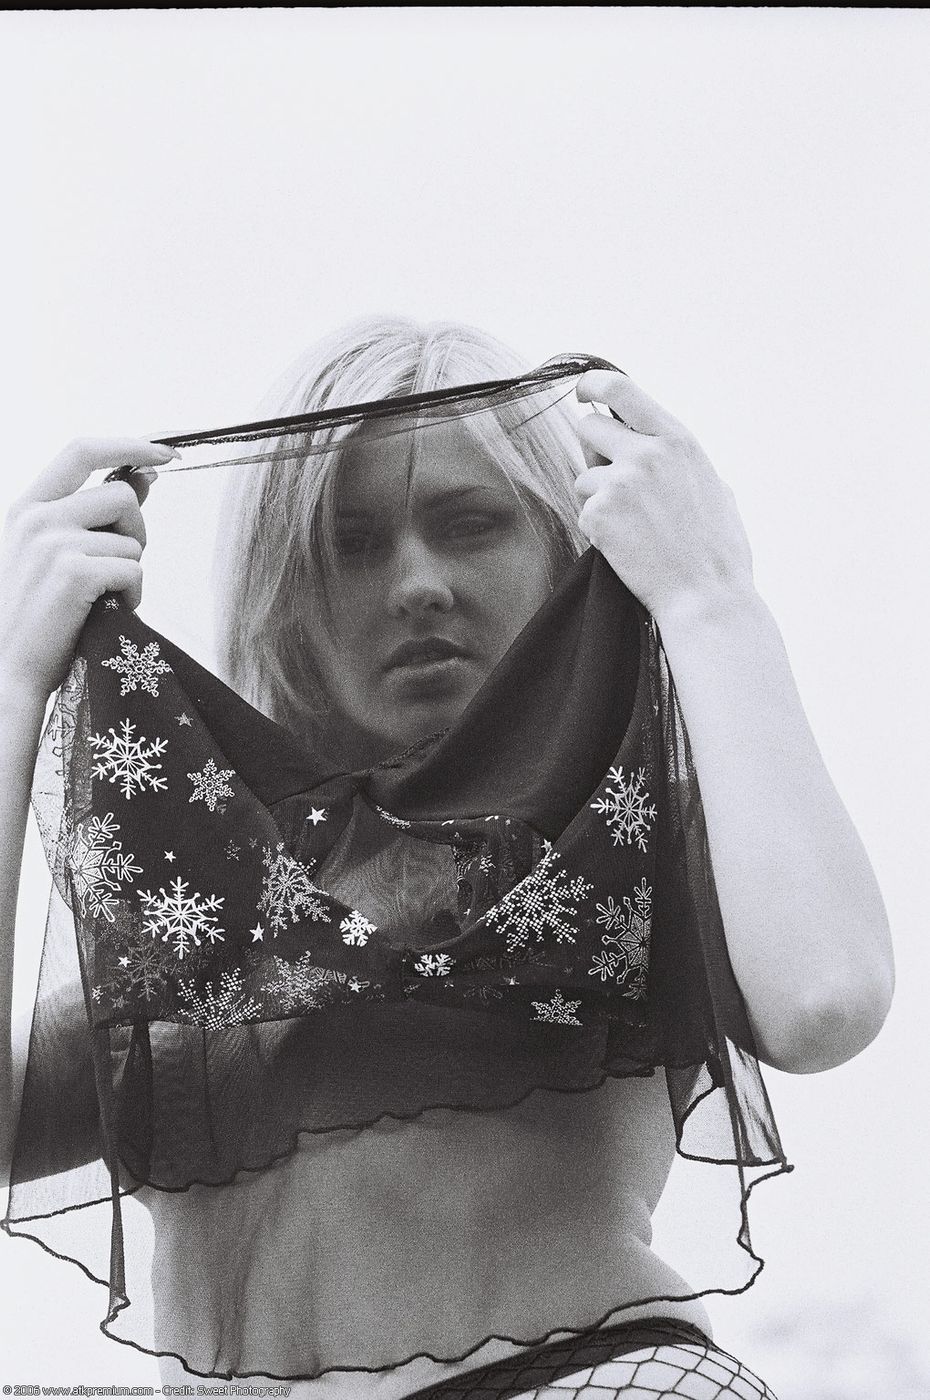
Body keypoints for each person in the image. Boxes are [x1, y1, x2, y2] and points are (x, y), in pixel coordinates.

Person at [0, 317, 894, 1399]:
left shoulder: (603, 848)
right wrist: (11, 681)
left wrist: (711, 596)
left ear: (566, 549)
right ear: (288, 596)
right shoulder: (202, 910)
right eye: (354, 543)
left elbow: (825, 1001)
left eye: (470, 523)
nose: (417, 582)